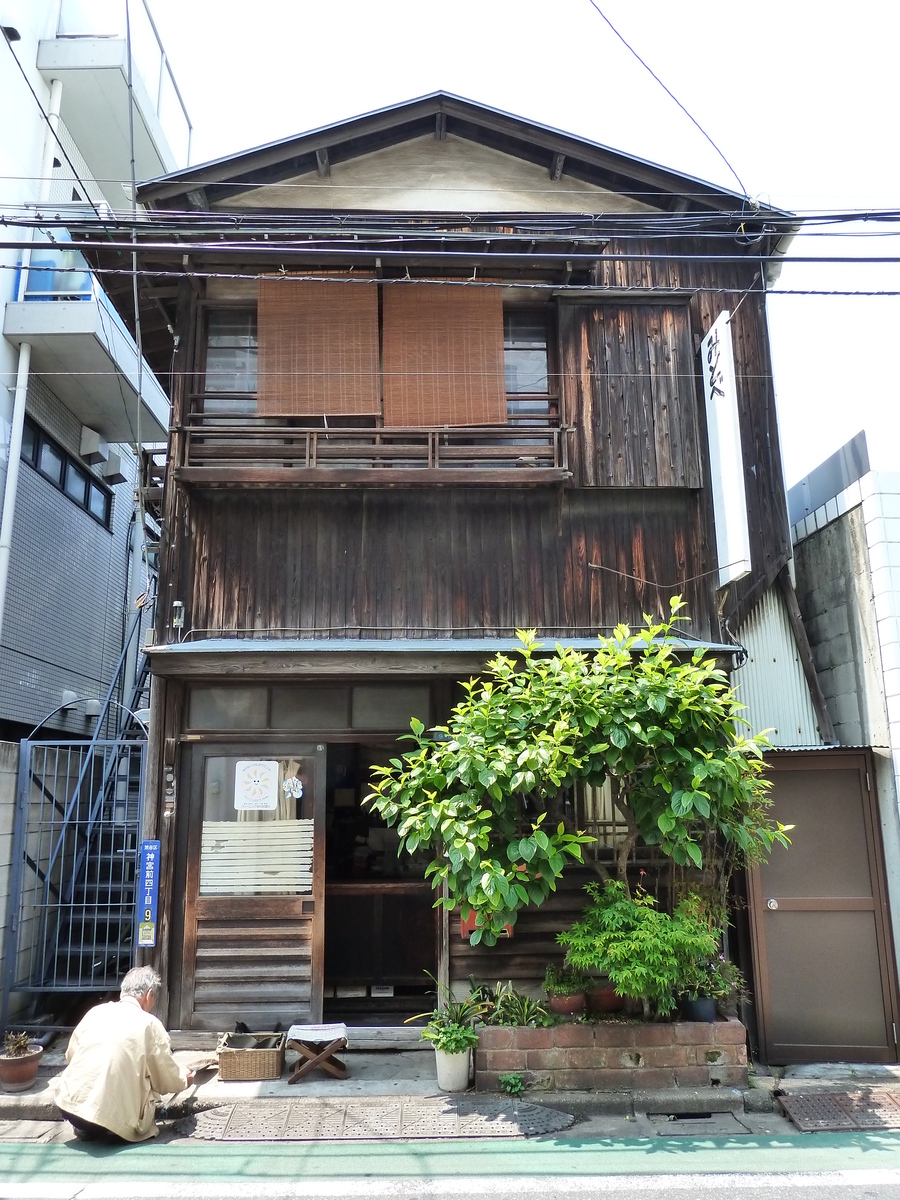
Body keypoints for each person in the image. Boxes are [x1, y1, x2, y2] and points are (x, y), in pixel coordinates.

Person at [55, 966, 195, 1143]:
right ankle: (107, 1126)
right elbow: (165, 1078)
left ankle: (88, 1126)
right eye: (154, 999)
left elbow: (71, 1055)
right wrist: (184, 1079)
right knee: (147, 1084)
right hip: (106, 1115)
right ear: (149, 994)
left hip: (68, 1106)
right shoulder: (149, 1024)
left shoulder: (96, 1012)